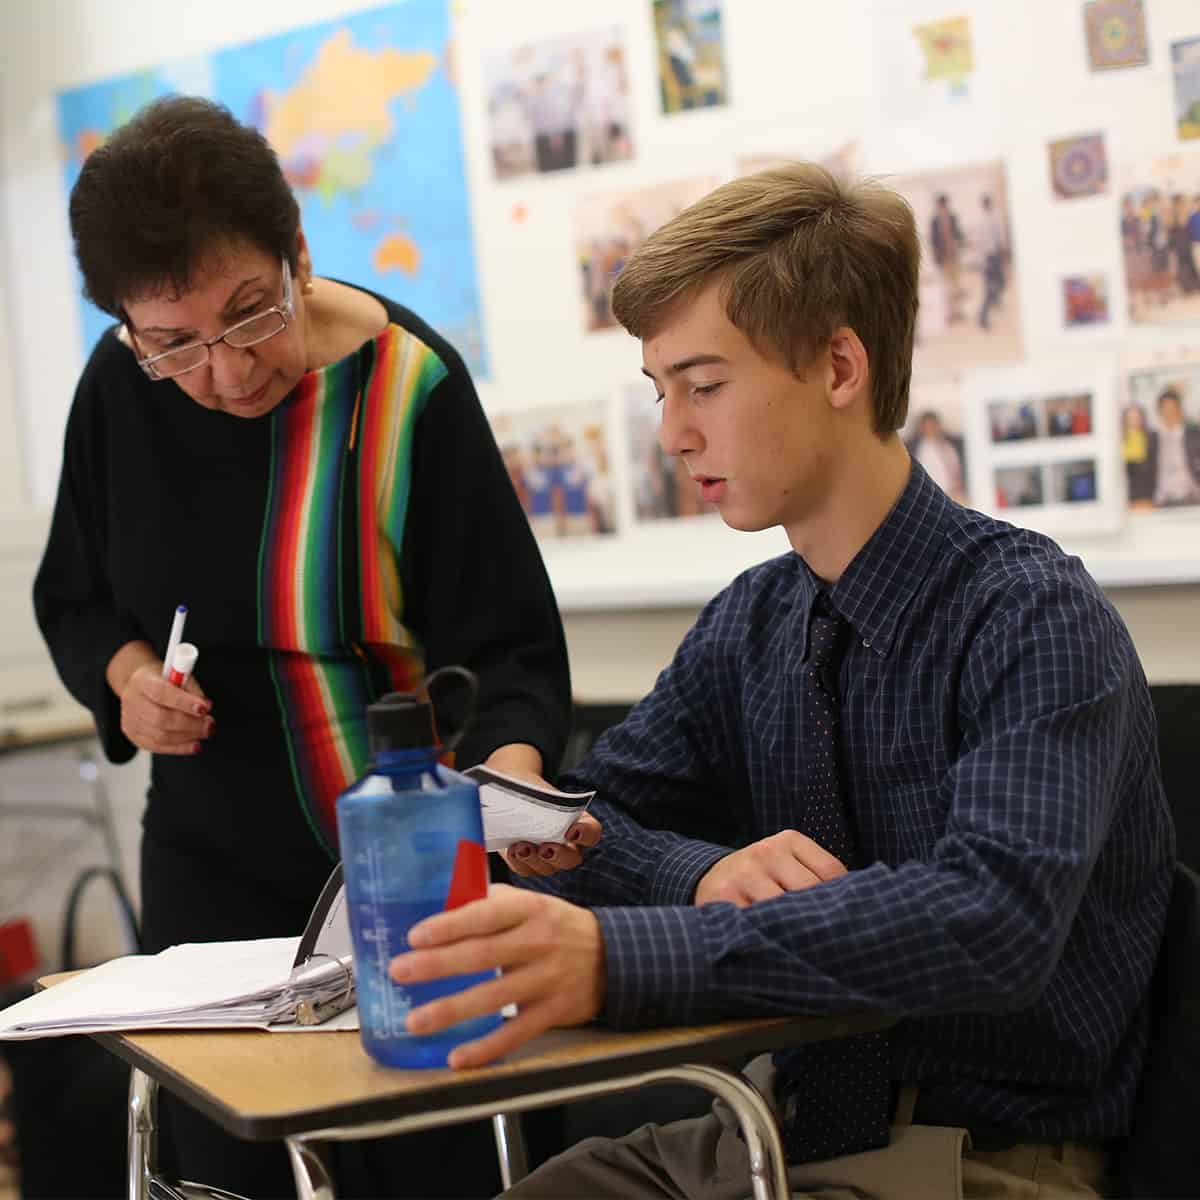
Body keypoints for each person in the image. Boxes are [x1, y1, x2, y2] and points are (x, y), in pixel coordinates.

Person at [387, 163, 1174, 1200]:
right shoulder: (753, 624)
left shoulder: (1032, 617)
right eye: (661, 392)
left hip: (976, 1158)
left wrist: (624, 957)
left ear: (840, 367)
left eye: (704, 385)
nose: (674, 432)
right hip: (766, 1135)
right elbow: (575, 824)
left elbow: (992, 921)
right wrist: (695, 878)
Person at [32, 95, 575, 1198]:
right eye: (173, 344)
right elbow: (79, 600)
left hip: (413, 862)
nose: (225, 374)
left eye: (246, 317)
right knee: (239, 1164)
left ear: (298, 255)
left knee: (439, 1155)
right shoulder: (118, 392)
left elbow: (511, 645)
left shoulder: (410, 387)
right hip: (212, 872)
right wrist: (132, 683)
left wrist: (514, 794)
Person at [1149, 385, 1200, 507]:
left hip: (1193, 497)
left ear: (1180, 409)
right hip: (1161, 501)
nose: (1169, 413)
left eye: (1173, 408)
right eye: (1165, 409)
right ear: (1159, 412)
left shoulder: (1195, 436)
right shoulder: (1152, 439)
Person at [902, 409, 966, 502]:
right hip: (926, 496)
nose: (930, 429)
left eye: (932, 425)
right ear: (921, 427)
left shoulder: (951, 444)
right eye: (927, 426)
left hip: (954, 495)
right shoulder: (913, 448)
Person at [929, 193, 965, 323]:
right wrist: (936, 256)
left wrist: (962, 243)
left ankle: (958, 312)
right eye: (941, 205)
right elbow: (933, 241)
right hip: (943, 259)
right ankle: (949, 314)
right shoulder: (934, 221)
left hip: (954, 256)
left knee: (956, 285)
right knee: (946, 287)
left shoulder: (953, 217)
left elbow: (959, 234)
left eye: (944, 205)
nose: (942, 207)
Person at [976, 192, 1008, 330]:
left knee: (999, 284)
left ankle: (990, 305)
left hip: (992, 257)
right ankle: (983, 317)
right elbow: (996, 240)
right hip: (991, 258)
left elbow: (999, 239)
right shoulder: (987, 221)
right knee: (994, 286)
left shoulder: (990, 219)